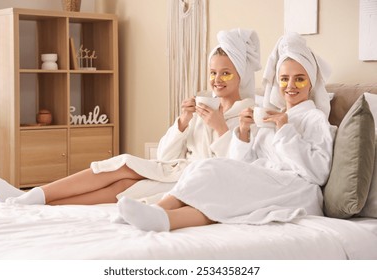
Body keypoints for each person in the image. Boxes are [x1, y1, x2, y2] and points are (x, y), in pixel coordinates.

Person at [0, 28, 261, 206]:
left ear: (242, 76)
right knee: (120, 169)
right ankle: (30, 198)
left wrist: (221, 128)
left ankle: (31, 199)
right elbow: (166, 156)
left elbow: (236, 170)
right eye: (213, 73)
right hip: (173, 170)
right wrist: (183, 122)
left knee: (122, 182)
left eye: (225, 73)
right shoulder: (203, 107)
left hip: (195, 182)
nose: (217, 80)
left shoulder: (248, 115)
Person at [115, 32, 337, 232]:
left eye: (299, 79)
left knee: (213, 170)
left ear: (311, 83)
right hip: (266, 180)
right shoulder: (270, 115)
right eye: (284, 78)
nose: (290, 85)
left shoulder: (314, 118)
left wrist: (285, 130)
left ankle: (159, 211)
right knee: (217, 190)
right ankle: (161, 216)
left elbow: (319, 172)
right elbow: (244, 163)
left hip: (295, 189)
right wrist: (242, 133)